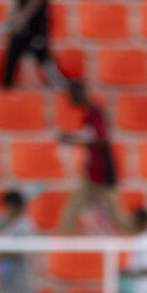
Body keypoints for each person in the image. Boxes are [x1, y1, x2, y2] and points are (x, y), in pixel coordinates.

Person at [56, 82, 125, 235]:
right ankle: (61, 250)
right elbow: (89, 137)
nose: (69, 99)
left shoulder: (95, 113)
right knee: (71, 210)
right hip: (91, 175)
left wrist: (73, 141)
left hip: (102, 175)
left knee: (116, 217)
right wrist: (72, 137)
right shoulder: (88, 114)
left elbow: (102, 140)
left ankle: (134, 241)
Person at [0, 189, 37, 293]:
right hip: (6, 290)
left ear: (12, 206)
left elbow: (16, 252)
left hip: (19, 291)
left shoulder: (24, 227)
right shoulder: (10, 228)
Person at [0, 0, 62, 90]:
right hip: (22, 32)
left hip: (36, 29)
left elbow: (36, 1)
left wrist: (22, 17)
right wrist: (14, 17)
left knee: (44, 59)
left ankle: (62, 87)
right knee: (9, 65)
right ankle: (5, 93)